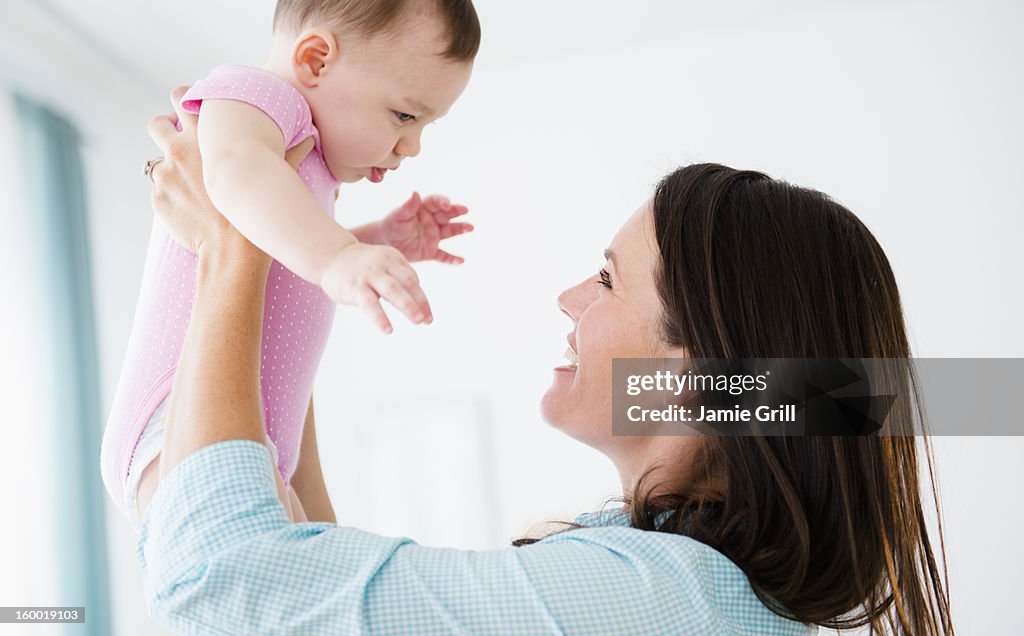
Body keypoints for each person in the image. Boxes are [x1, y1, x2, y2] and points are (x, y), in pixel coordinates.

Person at [136, 97, 954, 635]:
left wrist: (232, 248)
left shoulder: (656, 600)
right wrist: (286, 313)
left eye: (606, 279)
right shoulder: (695, 594)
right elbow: (325, 591)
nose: (569, 298)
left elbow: (221, 588)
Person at [99, 0, 480, 529]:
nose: (411, 146)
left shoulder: (305, 168)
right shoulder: (254, 96)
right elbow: (230, 172)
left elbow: (279, 249)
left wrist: (376, 241)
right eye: (405, 115)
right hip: (177, 415)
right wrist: (337, 259)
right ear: (315, 59)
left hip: (257, 436)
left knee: (310, 571)